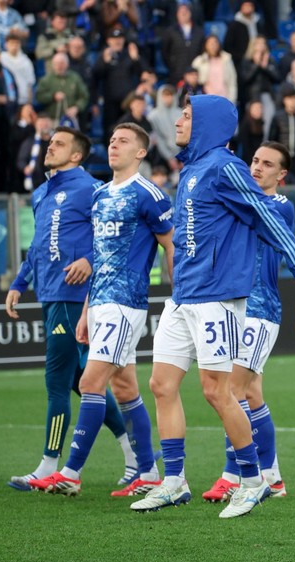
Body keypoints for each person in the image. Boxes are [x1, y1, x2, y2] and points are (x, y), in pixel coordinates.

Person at [128, 95, 295, 518]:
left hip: (216, 298)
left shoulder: (225, 166)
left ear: (208, 123)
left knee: (218, 391)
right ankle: (174, 482)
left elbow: (263, 213)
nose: (178, 122)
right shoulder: (193, 168)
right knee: (161, 385)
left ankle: (252, 482)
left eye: (187, 116)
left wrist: (294, 259)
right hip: (183, 297)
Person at [28, 123, 174, 497]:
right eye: (111, 140)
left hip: (125, 303)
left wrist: (180, 293)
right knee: (124, 388)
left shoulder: (148, 194)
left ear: (140, 152)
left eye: (123, 141)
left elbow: (171, 245)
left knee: (89, 383)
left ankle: (71, 472)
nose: (113, 145)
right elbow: (101, 256)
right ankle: (148, 473)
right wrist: (85, 312)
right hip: (98, 303)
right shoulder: (101, 195)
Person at [5, 127, 141, 491]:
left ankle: (49, 465)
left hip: (73, 295)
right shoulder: (41, 192)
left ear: (77, 155)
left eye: (59, 144)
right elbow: (38, 246)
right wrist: (19, 283)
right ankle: (136, 457)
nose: (50, 147)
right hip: (49, 294)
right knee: (86, 382)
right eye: (50, 142)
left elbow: (117, 235)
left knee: (57, 383)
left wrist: (89, 261)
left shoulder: (91, 189)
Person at [203, 142, 295, 502]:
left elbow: (263, 225)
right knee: (251, 393)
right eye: (255, 161)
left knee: (232, 390)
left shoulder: (280, 205)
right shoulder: (241, 202)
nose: (257, 167)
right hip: (235, 305)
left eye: (267, 164)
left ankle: (234, 474)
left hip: (260, 308)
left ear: (281, 174)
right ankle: (272, 477)